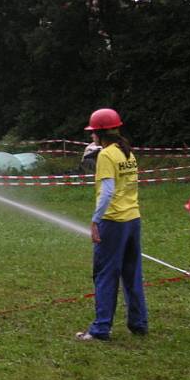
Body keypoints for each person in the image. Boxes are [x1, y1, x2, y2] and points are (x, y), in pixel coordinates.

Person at [76, 108, 148, 341]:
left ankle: (100, 329)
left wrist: (96, 221)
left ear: (99, 132)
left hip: (113, 221)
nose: (91, 137)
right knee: (132, 273)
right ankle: (138, 323)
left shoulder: (107, 155)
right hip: (132, 220)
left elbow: (107, 192)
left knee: (105, 275)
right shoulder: (127, 152)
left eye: (92, 133)